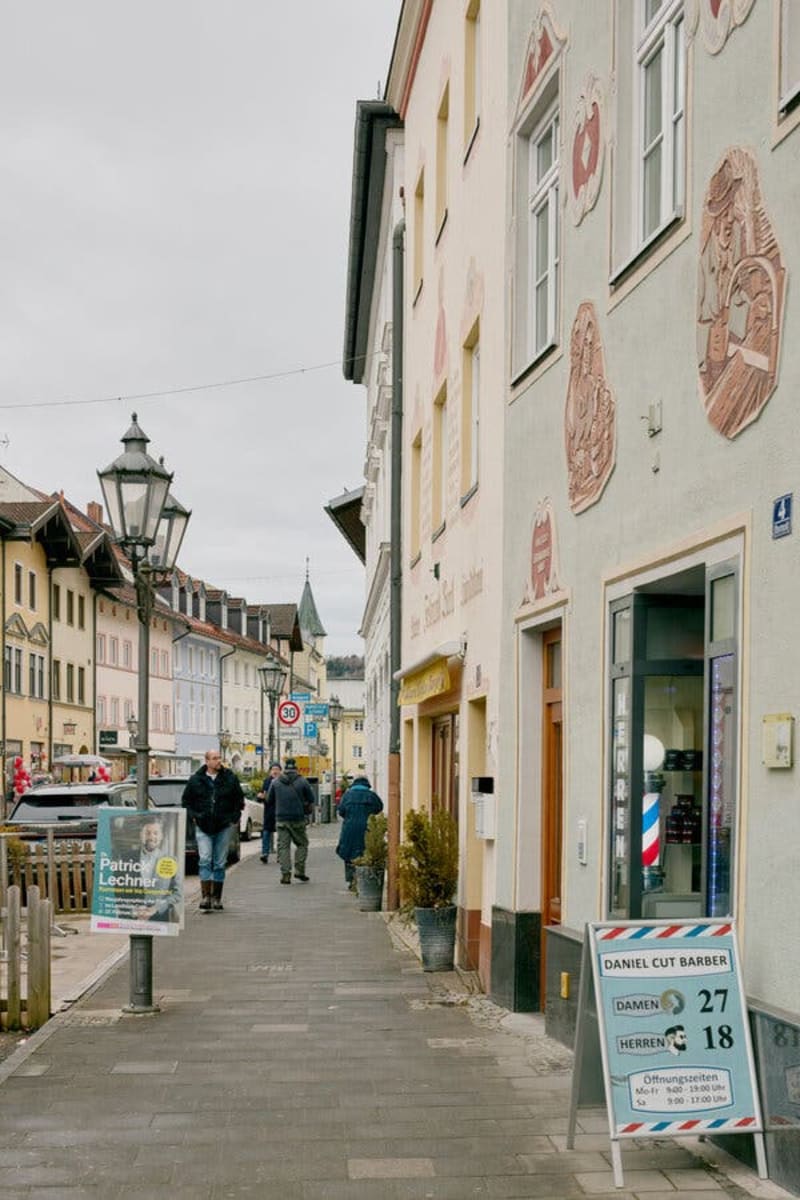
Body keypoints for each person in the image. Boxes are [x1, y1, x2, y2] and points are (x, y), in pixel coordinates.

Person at [181, 749, 244, 911]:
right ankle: (205, 897)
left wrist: (233, 818)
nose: (218, 761)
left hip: (223, 825)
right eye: (215, 758)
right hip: (203, 825)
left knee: (219, 862)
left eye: (219, 758)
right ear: (207, 761)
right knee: (204, 859)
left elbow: (239, 799)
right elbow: (186, 801)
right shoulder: (196, 780)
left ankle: (217, 898)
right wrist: (195, 816)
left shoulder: (229, 778)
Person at [267, 757, 315, 884]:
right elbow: (311, 799)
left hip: (281, 819)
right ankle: (299, 870)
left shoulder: (276, 782)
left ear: (285, 768)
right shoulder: (302, 781)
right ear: (296, 767)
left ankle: (285, 874)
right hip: (298, 818)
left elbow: (269, 800)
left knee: (283, 847)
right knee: (302, 844)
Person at [336, 775, 383, 890]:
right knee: (364, 851)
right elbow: (379, 808)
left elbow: (341, 811)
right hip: (367, 827)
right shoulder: (371, 795)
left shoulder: (347, 796)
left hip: (349, 827)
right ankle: (364, 879)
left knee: (349, 851)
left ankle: (351, 880)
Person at [133, 815, 181, 923]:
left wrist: (157, 908)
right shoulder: (126, 857)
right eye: (147, 833)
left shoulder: (171, 860)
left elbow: (178, 894)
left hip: (161, 919)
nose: (151, 837)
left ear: (161, 836)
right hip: (132, 919)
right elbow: (117, 890)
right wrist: (134, 910)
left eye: (155, 833)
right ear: (141, 835)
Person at [257, 762, 281, 863]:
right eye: (273, 769)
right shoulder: (267, 781)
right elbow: (262, 794)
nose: (275, 771)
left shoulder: (282, 781)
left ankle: (281, 855)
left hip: (280, 811)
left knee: (281, 834)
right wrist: (260, 797)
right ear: (270, 771)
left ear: (280, 771)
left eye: (277, 769)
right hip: (269, 811)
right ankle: (265, 853)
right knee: (266, 832)